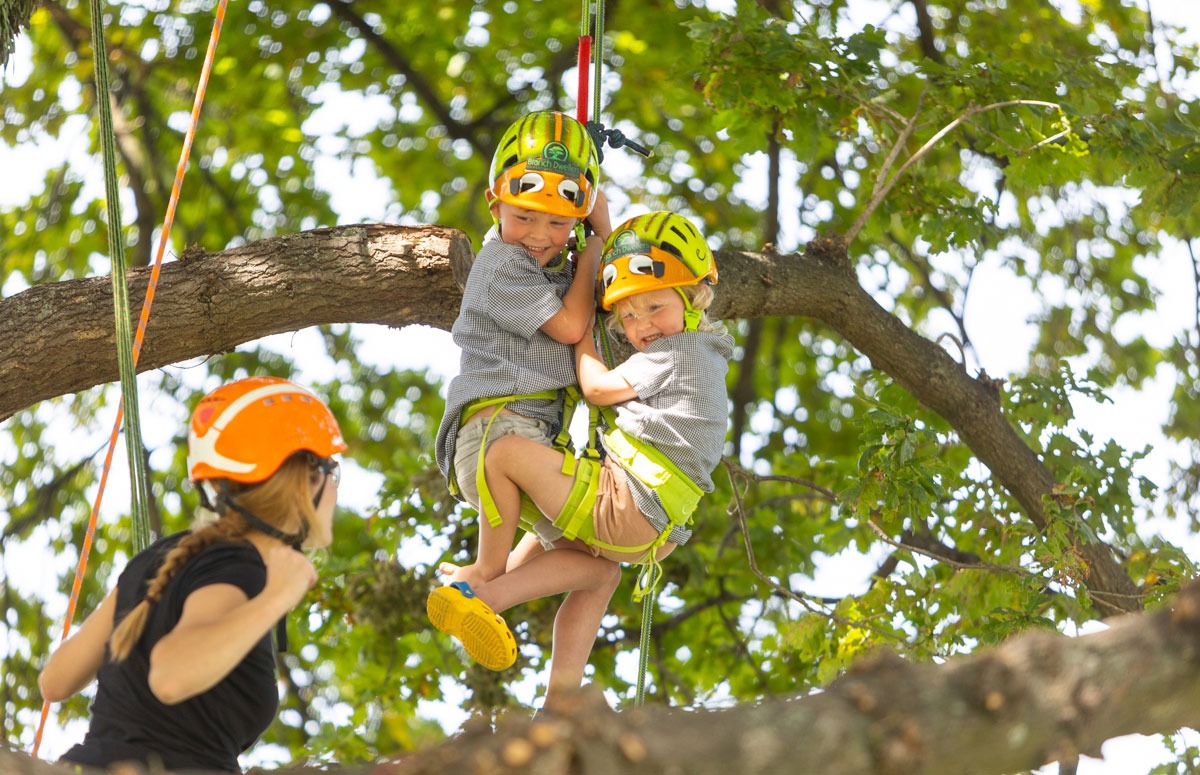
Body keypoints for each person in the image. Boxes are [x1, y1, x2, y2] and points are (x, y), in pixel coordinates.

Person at [431, 212, 734, 711]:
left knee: (502, 453)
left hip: (626, 502)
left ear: (695, 297)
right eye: (628, 317)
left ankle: (484, 587)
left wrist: (588, 327)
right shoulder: (702, 352)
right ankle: (559, 704)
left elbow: (594, 387)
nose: (641, 327)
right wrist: (598, 236)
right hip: (647, 531)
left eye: (654, 307)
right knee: (596, 576)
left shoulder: (680, 353)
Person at [38, 376, 346, 774]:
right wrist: (277, 596)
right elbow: (171, 675)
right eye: (333, 472)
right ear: (308, 478)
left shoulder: (164, 557)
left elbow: (56, 681)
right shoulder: (243, 566)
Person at [429, 110, 611, 669]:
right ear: (494, 204)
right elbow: (570, 326)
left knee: (598, 564)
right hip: (494, 435)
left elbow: (606, 279)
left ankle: (560, 701)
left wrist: (600, 229)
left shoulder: (553, 266)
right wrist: (591, 254)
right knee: (501, 566)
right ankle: (482, 583)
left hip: (527, 444)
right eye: (525, 216)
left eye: (559, 223)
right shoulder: (499, 266)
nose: (539, 235)